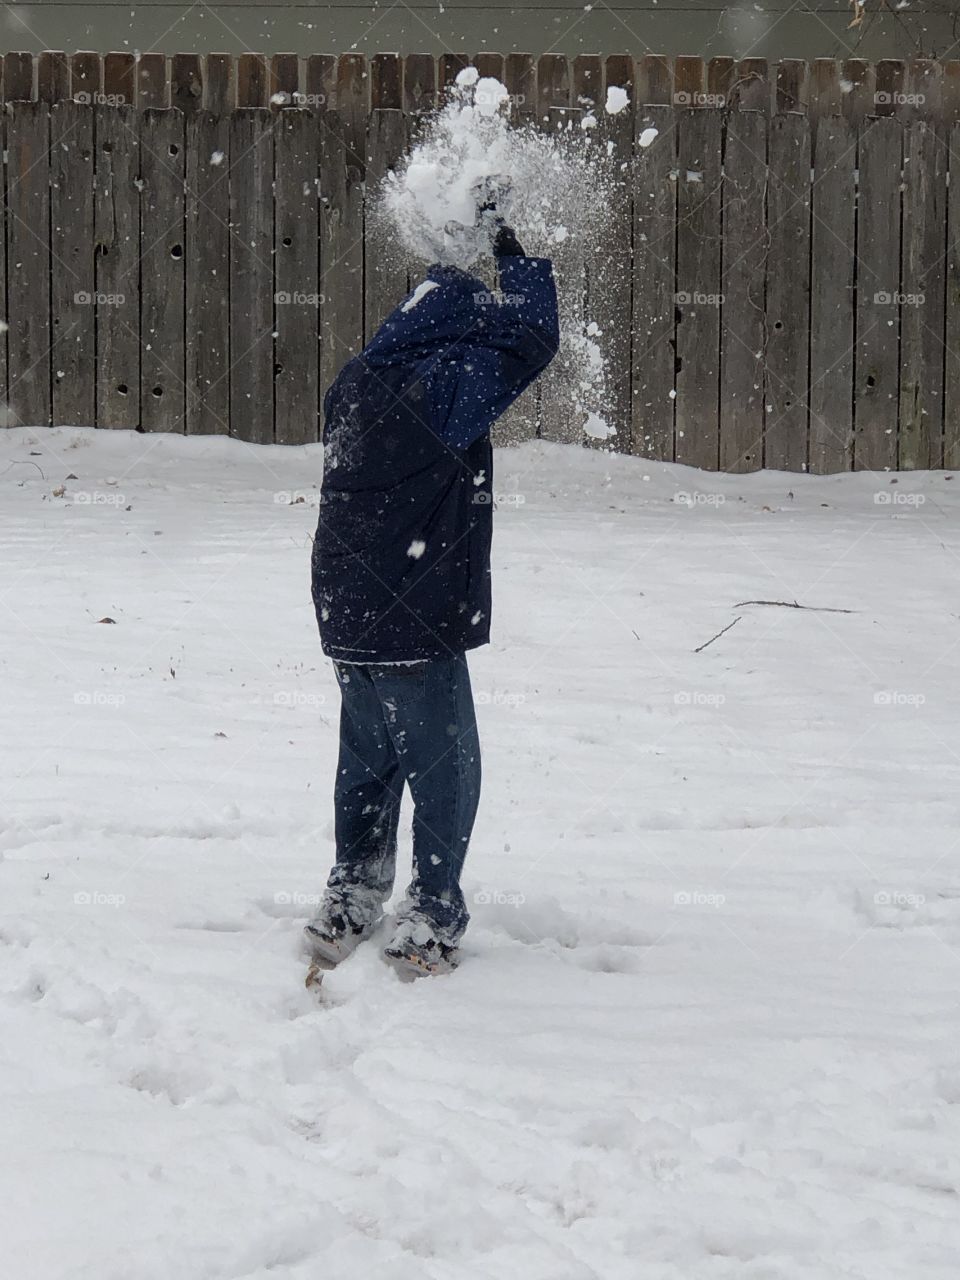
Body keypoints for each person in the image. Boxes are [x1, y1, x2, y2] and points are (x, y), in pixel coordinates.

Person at [305, 208, 559, 977]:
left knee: (369, 753)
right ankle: (434, 911)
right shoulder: (447, 385)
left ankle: (353, 891)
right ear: (456, 333)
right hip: (410, 608)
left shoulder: (356, 378)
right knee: (441, 762)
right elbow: (532, 339)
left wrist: (456, 259)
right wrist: (514, 252)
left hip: (344, 602)